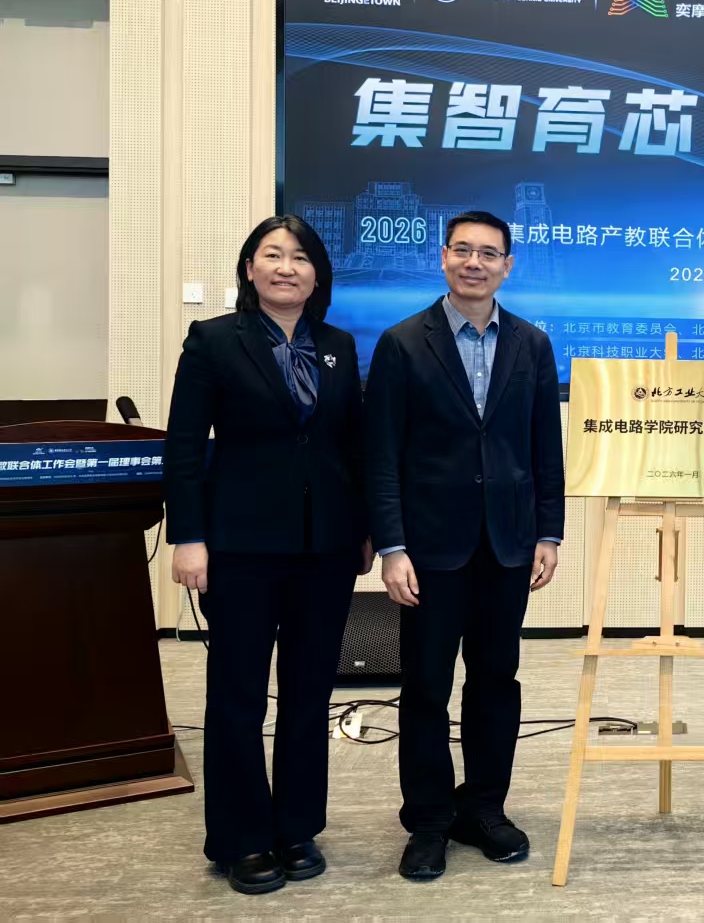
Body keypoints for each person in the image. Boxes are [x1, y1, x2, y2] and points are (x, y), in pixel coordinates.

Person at [164, 215, 370, 895]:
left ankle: (297, 827)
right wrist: (188, 536)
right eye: (272, 255)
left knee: (310, 692)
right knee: (238, 693)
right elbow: (185, 447)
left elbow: (352, 445)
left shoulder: (338, 346)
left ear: (317, 275)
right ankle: (241, 838)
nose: (287, 267)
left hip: (326, 547)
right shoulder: (214, 340)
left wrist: (365, 528)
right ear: (249, 268)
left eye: (300, 257)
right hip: (240, 546)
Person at [365, 210, 564, 881]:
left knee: (495, 682)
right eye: (463, 250)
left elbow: (545, 448)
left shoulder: (532, 344)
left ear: (508, 265)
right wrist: (392, 547)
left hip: (507, 545)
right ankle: (428, 819)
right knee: (425, 685)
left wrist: (549, 531)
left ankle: (483, 807)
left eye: (489, 253)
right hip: (429, 548)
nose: (474, 262)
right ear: (443, 257)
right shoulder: (402, 343)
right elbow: (381, 455)